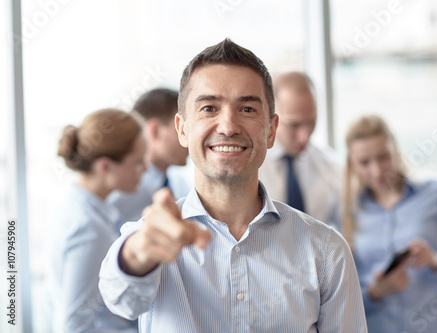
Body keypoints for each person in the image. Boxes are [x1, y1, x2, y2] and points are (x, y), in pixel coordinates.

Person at [99, 39, 367, 332]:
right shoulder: (149, 239)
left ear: (271, 130)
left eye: (248, 109)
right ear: (182, 129)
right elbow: (119, 297)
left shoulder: (327, 252)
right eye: (209, 108)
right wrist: (137, 256)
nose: (228, 127)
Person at [341, 114, 437, 333]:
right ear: (351, 163)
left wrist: (435, 262)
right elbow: (337, 303)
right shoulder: (344, 213)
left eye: (383, 157)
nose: (376, 170)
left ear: (395, 149)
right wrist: (375, 291)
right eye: (364, 163)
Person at [44, 109, 146, 332]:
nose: (145, 169)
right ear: (105, 166)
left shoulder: (74, 206)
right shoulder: (89, 228)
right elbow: (74, 325)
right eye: (138, 161)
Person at [258, 72, 342, 225]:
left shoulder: (332, 167)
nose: (305, 137)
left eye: (311, 122)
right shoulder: (250, 169)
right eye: (294, 125)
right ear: (270, 116)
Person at [107, 88, 191, 226]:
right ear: (155, 130)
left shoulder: (181, 186)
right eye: (181, 128)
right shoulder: (119, 193)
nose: (189, 138)